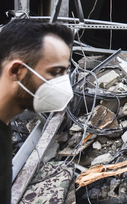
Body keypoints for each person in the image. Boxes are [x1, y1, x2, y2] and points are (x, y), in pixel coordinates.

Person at [0, 19, 74, 203]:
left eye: (65, 72)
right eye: (55, 72)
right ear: (17, 70)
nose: (63, 84)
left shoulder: (5, 124)